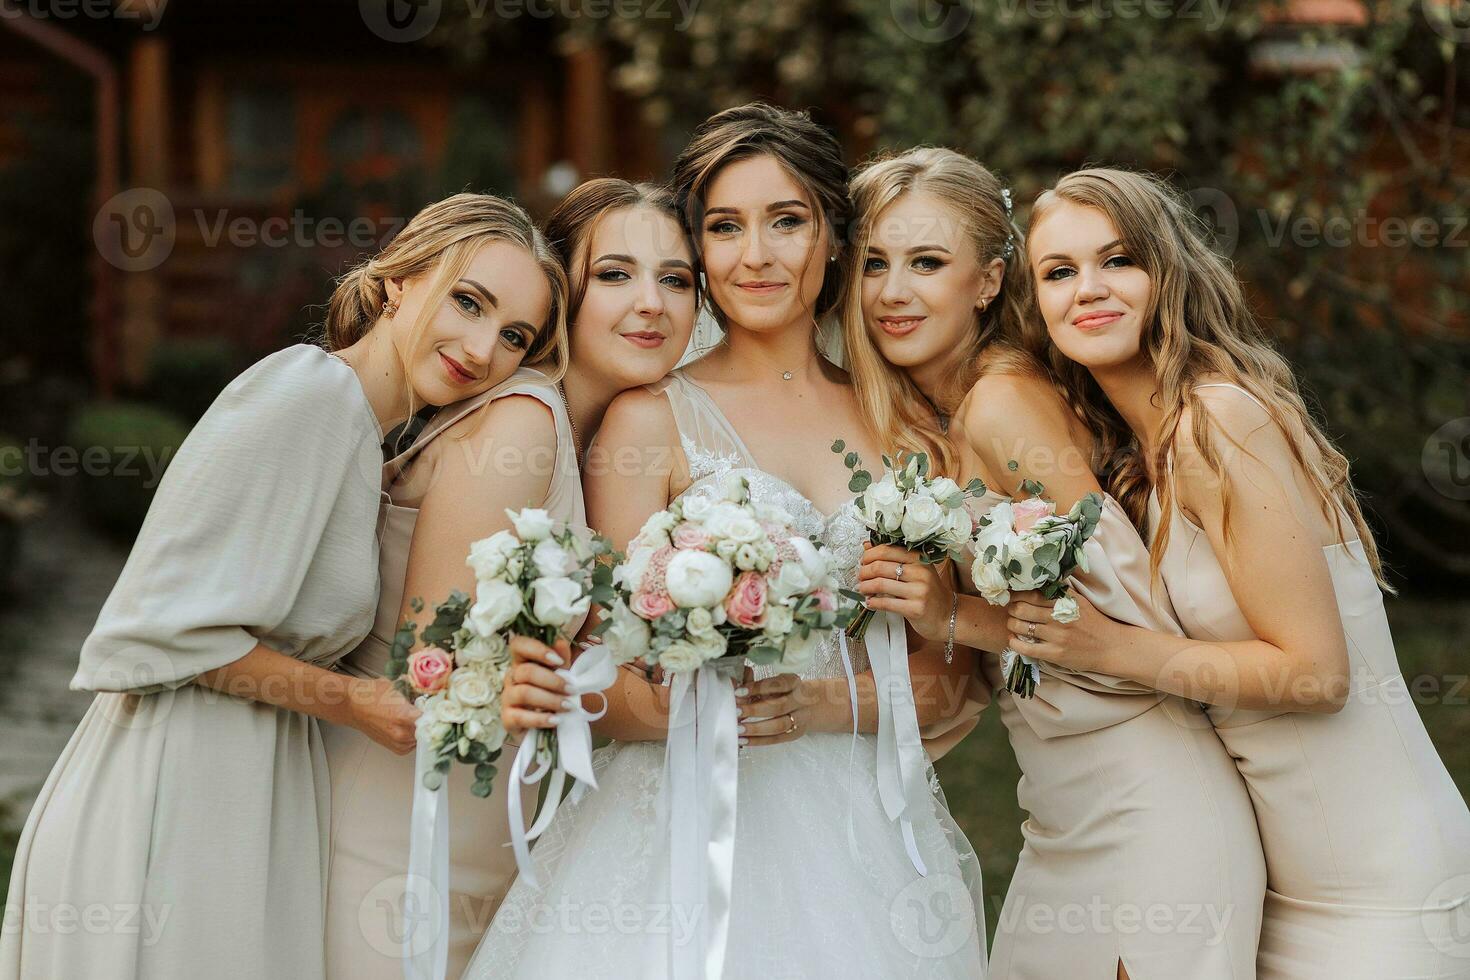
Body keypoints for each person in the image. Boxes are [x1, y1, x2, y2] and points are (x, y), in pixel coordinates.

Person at [465, 103, 987, 979]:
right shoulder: (650, 419)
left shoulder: (908, 426)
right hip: (677, 818)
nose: (756, 255)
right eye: (724, 227)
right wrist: (692, 705)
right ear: (700, 249)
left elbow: (946, 683)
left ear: (831, 237)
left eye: (787, 221)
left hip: (858, 824)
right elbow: (606, 672)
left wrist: (819, 704)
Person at [0, 192, 563, 979]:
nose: (480, 346)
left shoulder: (365, 437)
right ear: (399, 278)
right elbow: (150, 631)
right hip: (176, 788)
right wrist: (352, 702)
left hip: (249, 788)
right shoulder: (309, 393)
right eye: (468, 301)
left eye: (513, 336)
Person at [1015, 167, 1470, 978]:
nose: (1089, 289)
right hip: (1273, 887)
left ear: (1168, 272)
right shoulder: (1134, 463)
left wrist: (1107, 647)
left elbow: (1317, 674)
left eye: (1118, 260)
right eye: (1058, 272)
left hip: (1380, 890)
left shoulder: (1220, 418)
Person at [843, 147, 1267, 977]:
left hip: (1150, 808)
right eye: (874, 264)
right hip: (1060, 812)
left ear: (991, 281)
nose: (893, 293)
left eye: (928, 263)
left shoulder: (1004, 403)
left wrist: (951, 614)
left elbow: (1133, 627)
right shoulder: (941, 419)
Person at [321, 177, 699, 978]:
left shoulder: (585, 436)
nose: (652, 304)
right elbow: (430, 663)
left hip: (490, 822)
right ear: (565, 290)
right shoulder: (523, 422)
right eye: (616, 274)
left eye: (676, 279)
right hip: (406, 825)